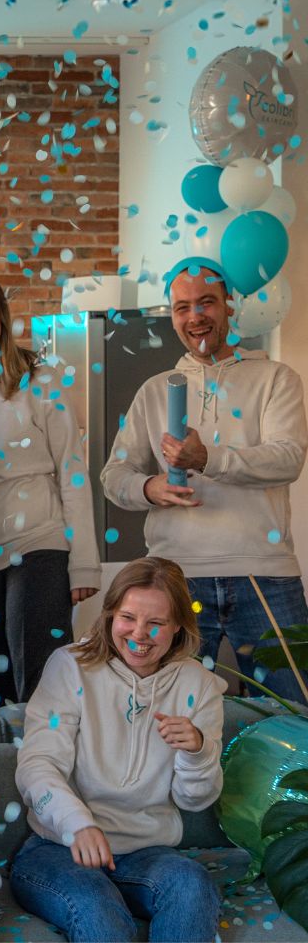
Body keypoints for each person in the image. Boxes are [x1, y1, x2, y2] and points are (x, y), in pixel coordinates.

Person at [101, 258, 308, 701]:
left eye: (207, 302)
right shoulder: (155, 390)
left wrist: (208, 458)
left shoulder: (275, 378)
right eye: (182, 307)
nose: (195, 316)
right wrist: (148, 488)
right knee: (173, 717)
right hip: (176, 580)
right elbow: (114, 475)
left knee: (291, 718)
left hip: (265, 576)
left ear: (229, 306)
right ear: (173, 316)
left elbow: (288, 459)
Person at [11, 556, 224, 942]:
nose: (139, 634)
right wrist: (79, 824)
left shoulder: (201, 686)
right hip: (57, 849)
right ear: (110, 615)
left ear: (177, 626)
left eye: (155, 623)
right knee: (95, 904)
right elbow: (36, 765)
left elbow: (195, 801)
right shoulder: (70, 666)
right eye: (128, 617)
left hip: (147, 854)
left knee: (192, 885)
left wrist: (198, 751)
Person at [0, 271, 101, 705]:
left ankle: (49, 770)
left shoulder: (39, 382)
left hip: (37, 547)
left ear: (3, 322)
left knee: (41, 687)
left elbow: (73, 471)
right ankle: (0, 773)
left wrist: (83, 562)